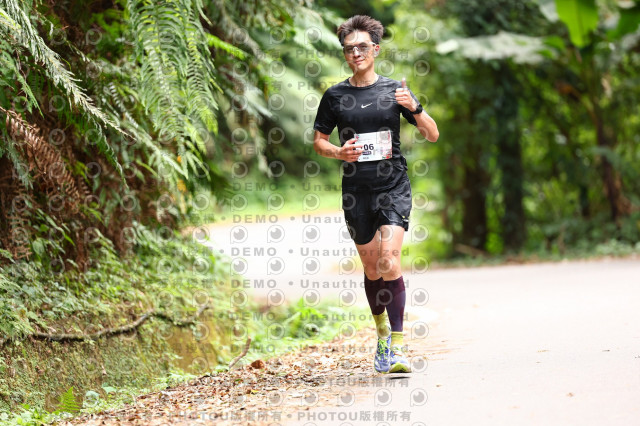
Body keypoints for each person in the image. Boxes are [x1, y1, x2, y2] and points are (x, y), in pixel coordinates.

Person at [312, 15, 439, 373]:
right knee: (371, 268)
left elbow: (432, 134)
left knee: (388, 260)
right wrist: (339, 152)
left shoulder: (395, 90)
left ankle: (398, 346)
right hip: (356, 192)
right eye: (349, 48)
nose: (356, 53)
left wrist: (414, 107)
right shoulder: (334, 96)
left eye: (362, 47)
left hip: (393, 186)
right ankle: (382, 333)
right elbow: (319, 142)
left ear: (376, 50)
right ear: (344, 53)